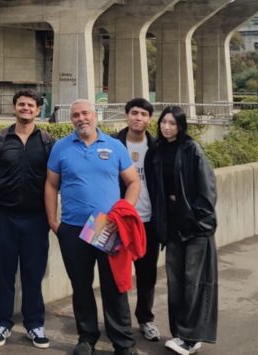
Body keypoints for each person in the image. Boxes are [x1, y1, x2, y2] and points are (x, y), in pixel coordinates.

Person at [45, 99, 141, 355]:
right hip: (73, 228)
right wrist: (53, 221)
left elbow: (133, 182)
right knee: (81, 286)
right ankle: (86, 338)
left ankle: (123, 342)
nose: (81, 118)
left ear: (95, 115)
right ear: (71, 119)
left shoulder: (114, 146)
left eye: (85, 113)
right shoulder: (61, 147)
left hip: (105, 226)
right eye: (76, 115)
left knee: (113, 285)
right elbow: (51, 185)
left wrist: (124, 212)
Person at [0, 90, 54, 348]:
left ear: (38, 110)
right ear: (14, 108)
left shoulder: (48, 142)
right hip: (4, 217)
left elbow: (55, 180)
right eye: (21, 104)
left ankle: (34, 324)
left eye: (31, 105)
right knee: (3, 273)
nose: (26, 108)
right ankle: (2, 323)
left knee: (33, 274)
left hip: (36, 219)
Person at [148, 106, 218, 355]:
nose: (167, 127)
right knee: (176, 282)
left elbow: (207, 189)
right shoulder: (157, 151)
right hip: (172, 227)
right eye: (163, 122)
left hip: (195, 227)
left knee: (195, 282)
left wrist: (196, 217)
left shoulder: (191, 149)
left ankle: (191, 337)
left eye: (172, 123)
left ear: (180, 126)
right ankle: (181, 333)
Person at [113, 98, 161, 343]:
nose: (138, 118)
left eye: (143, 114)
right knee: (115, 275)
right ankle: (118, 324)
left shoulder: (157, 148)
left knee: (147, 274)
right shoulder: (112, 144)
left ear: (149, 119)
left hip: (148, 221)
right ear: (127, 115)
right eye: (134, 113)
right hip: (117, 221)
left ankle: (145, 319)